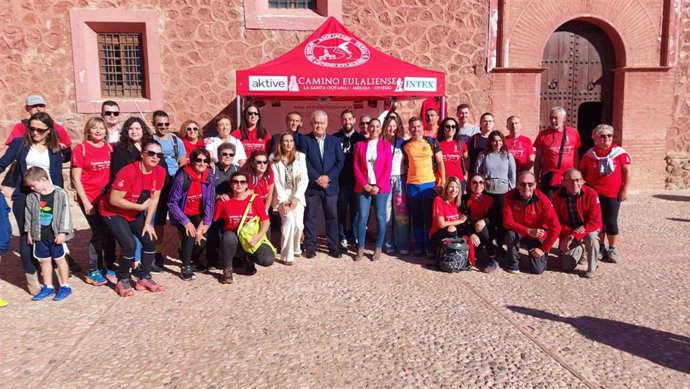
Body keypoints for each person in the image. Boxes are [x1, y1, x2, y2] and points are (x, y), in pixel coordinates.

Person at [0, 112, 70, 295]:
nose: (35, 133)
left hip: (48, 197)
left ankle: (49, 271)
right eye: (32, 128)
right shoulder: (19, 144)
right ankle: (31, 277)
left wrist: (60, 198)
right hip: (24, 196)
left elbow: (58, 174)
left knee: (49, 232)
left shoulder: (55, 149)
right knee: (27, 236)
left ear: (49, 131)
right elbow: (2, 164)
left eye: (40, 130)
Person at [101, 140, 167, 297]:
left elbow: (154, 199)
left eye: (159, 154)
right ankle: (122, 280)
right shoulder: (128, 172)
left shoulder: (160, 172)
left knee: (149, 239)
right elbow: (114, 200)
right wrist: (139, 208)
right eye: (151, 153)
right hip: (113, 212)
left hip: (133, 212)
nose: (155, 157)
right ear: (143, 154)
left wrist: (148, 222)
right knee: (129, 245)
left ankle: (144, 277)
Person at [71, 117, 115, 286]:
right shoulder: (81, 149)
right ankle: (93, 269)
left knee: (110, 232)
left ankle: (108, 265)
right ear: (88, 131)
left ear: (106, 130)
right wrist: (86, 202)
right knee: (98, 233)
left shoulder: (110, 148)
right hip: (90, 198)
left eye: (101, 128)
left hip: (108, 199)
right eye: (94, 128)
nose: (98, 131)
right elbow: (76, 179)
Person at [109, 117, 156, 274]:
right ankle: (135, 261)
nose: (134, 131)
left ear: (143, 130)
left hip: (148, 193)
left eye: (137, 128)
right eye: (131, 128)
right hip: (129, 196)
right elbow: (117, 174)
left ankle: (147, 261)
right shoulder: (122, 149)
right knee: (133, 231)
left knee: (147, 227)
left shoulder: (150, 147)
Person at [579, 124, 631, 263]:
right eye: (602, 136)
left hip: (613, 193)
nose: (606, 138)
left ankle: (612, 248)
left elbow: (627, 173)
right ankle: (601, 247)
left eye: (609, 135)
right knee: (599, 222)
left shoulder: (619, 153)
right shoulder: (589, 155)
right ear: (595, 138)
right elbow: (582, 173)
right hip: (594, 194)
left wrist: (624, 190)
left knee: (611, 221)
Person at [213, 171, 275, 283]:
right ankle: (228, 268)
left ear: (247, 185)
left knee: (267, 260)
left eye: (242, 182)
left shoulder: (255, 200)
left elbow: (266, 222)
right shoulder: (223, 202)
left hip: (251, 239)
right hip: (233, 241)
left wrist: (258, 237)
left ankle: (248, 258)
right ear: (231, 185)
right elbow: (213, 222)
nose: (239, 184)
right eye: (235, 182)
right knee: (228, 236)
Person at [23, 167, 73, 301]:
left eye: (33, 185)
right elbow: (28, 215)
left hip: (55, 234)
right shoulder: (31, 197)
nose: (32, 188)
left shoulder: (60, 194)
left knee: (60, 259)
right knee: (43, 261)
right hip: (39, 234)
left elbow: (65, 214)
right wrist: (29, 232)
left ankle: (65, 285)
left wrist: (63, 232)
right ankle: (48, 286)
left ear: (43, 179)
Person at [301, 110, 345, 259]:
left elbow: (340, 162)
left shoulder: (335, 141)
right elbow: (303, 162)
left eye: (321, 123)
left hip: (330, 186)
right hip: (312, 187)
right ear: (311, 123)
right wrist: (317, 178)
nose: (319, 125)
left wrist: (327, 177)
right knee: (310, 218)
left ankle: (333, 246)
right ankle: (310, 247)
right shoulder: (305, 140)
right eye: (316, 122)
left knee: (332, 217)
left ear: (326, 124)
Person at [168, 148, 215, 280]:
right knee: (190, 234)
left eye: (205, 161)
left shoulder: (209, 176)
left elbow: (210, 201)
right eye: (198, 160)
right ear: (192, 161)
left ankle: (193, 258)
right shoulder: (182, 177)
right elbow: (172, 203)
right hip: (182, 212)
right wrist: (185, 222)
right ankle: (186, 266)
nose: (202, 163)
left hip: (198, 213)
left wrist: (206, 222)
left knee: (203, 237)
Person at [402, 116, 446, 256]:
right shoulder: (405, 145)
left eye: (418, 126)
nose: (416, 129)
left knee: (428, 217)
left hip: (428, 185)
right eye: (413, 127)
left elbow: (440, 162)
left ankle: (428, 246)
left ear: (422, 127)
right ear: (409, 129)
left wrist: (443, 181)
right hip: (412, 185)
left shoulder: (431, 142)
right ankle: (419, 245)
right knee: (416, 217)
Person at [502, 171, 561, 274]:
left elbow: (556, 227)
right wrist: (528, 231)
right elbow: (507, 222)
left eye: (530, 184)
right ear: (517, 184)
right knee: (510, 234)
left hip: (537, 235)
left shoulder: (543, 199)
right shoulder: (509, 196)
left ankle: (542, 257)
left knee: (537, 270)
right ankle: (514, 262)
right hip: (520, 232)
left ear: (535, 185)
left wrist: (544, 249)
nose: (526, 187)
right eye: (523, 184)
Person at [353, 118, 392, 261]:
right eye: (372, 126)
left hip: (381, 188)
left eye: (377, 126)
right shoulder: (360, 145)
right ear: (367, 129)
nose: (374, 129)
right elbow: (356, 167)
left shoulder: (386, 146)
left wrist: (378, 185)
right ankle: (361, 248)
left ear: (380, 129)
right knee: (362, 218)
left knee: (381, 217)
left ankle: (378, 247)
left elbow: (388, 168)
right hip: (364, 187)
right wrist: (365, 184)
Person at [151, 110, 186, 269]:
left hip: (173, 182)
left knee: (178, 218)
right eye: (160, 124)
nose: (164, 127)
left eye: (166, 124)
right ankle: (157, 253)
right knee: (158, 220)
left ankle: (182, 248)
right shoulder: (150, 141)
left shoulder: (175, 141)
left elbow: (182, 162)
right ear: (154, 124)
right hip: (157, 182)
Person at [552, 169, 602, 278]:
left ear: (583, 181)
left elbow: (595, 222)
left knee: (592, 237)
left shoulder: (591, 194)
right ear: (564, 182)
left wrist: (574, 235)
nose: (574, 184)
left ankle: (592, 268)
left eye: (577, 180)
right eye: (570, 181)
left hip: (587, 229)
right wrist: (570, 233)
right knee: (566, 267)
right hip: (569, 231)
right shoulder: (557, 196)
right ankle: (581, 248)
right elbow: (555, 222)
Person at [271, 132, 309, 265]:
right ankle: (287, 255)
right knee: (289, 220)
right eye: (285, 141)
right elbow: (275, 181)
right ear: (281, 143)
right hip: (281, 196)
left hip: (297, 196)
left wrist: (296, 198)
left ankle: (296, 248)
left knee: (299, 225)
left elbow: (304, 179)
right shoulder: (274, 159)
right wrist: (283, 201)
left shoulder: (300, 157)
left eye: (291, 141)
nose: (288, 144)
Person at [334, 109, 367, 251]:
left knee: (356, 212)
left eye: (349, 119)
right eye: (344, 119)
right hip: (341, 182)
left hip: (357, 182)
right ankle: (342, 237)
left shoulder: (361, 139)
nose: (347, 122)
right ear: (341, 121)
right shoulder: (335, 138)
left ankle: (354, 237)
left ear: (354, 120)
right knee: (341, 212)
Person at [534, 106, 581, 199]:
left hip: (568, 177)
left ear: (564, 118)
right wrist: (536, 179)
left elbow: (576, 155)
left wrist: (578, 175)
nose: (553, 120)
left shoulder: (573, 133)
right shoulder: (543, 135)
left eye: (556, 118)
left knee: (567, 205)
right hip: (549, 177)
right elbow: (538, 159)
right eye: (551, 118)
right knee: (550, 206)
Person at [206, 143, 239, 270]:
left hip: (231, 207)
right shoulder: (211, 170)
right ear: (219, 155)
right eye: (224, 154)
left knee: (232, 233)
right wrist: (218, 197)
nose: (227, 156)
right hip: (214, 207)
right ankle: (212, 260)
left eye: (231, 154)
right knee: (214, 233)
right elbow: (207, 190)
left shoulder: (236, 170)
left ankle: (234, 258)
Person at [475, 130, 516, 228]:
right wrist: (480, 188)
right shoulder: (483, 155)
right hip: (487, 190)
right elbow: (477, 173)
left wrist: (510, 190)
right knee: (488, 216)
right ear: (490, 142)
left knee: (502, 216)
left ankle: (500, 241)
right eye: (494, 141)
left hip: (503, 191)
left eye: (500, 140)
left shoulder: (508, 156)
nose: (497, 143)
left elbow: (512, 175)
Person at [383, 112, 410, 255]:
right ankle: (388, 243)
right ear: (385, 128)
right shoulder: (381, 143)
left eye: (394, 126)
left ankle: (403, 244)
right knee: (386, 214)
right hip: (385, 180)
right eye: (389, 126)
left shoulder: (403, 142)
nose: (392, 129)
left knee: (401, 214)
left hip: (400, 179)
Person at [461, 173, 499, 272]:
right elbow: (463, 221)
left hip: (487, 229)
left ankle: (493, 258)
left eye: (481, 182)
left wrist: (484, 220)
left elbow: (494, 217)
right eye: (474, 182)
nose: (478, 185)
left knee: (480, 225)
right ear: (470, 185)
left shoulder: (491, 198)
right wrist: (471, 234)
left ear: (484, 184)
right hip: (470, 229)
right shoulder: (464, 200)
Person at [5, 94, 72, 149]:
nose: (38, 109)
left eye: (41, 106)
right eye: (34, 106)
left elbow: (67, 151)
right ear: (27, 108)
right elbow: (13, 146)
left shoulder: (57, 128)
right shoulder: (20, 127)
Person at [428, 176, 467, 253]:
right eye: (451, 187)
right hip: (438, 235)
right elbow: (441, 224)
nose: (454, 190)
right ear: (446, 188)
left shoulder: (459, 202)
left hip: (453, 234)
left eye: (456, 187)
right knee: (452, 228)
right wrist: (460, 221)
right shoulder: (439, 200)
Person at [437, 116, 468, 191]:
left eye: (453, 126)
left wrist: (466, 175)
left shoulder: (461, 144)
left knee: (458, 203)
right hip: (443, 182)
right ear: (443, 128)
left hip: (459, 181)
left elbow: (466, 159)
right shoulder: (437, 144)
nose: (451, 129)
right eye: (447, 126)